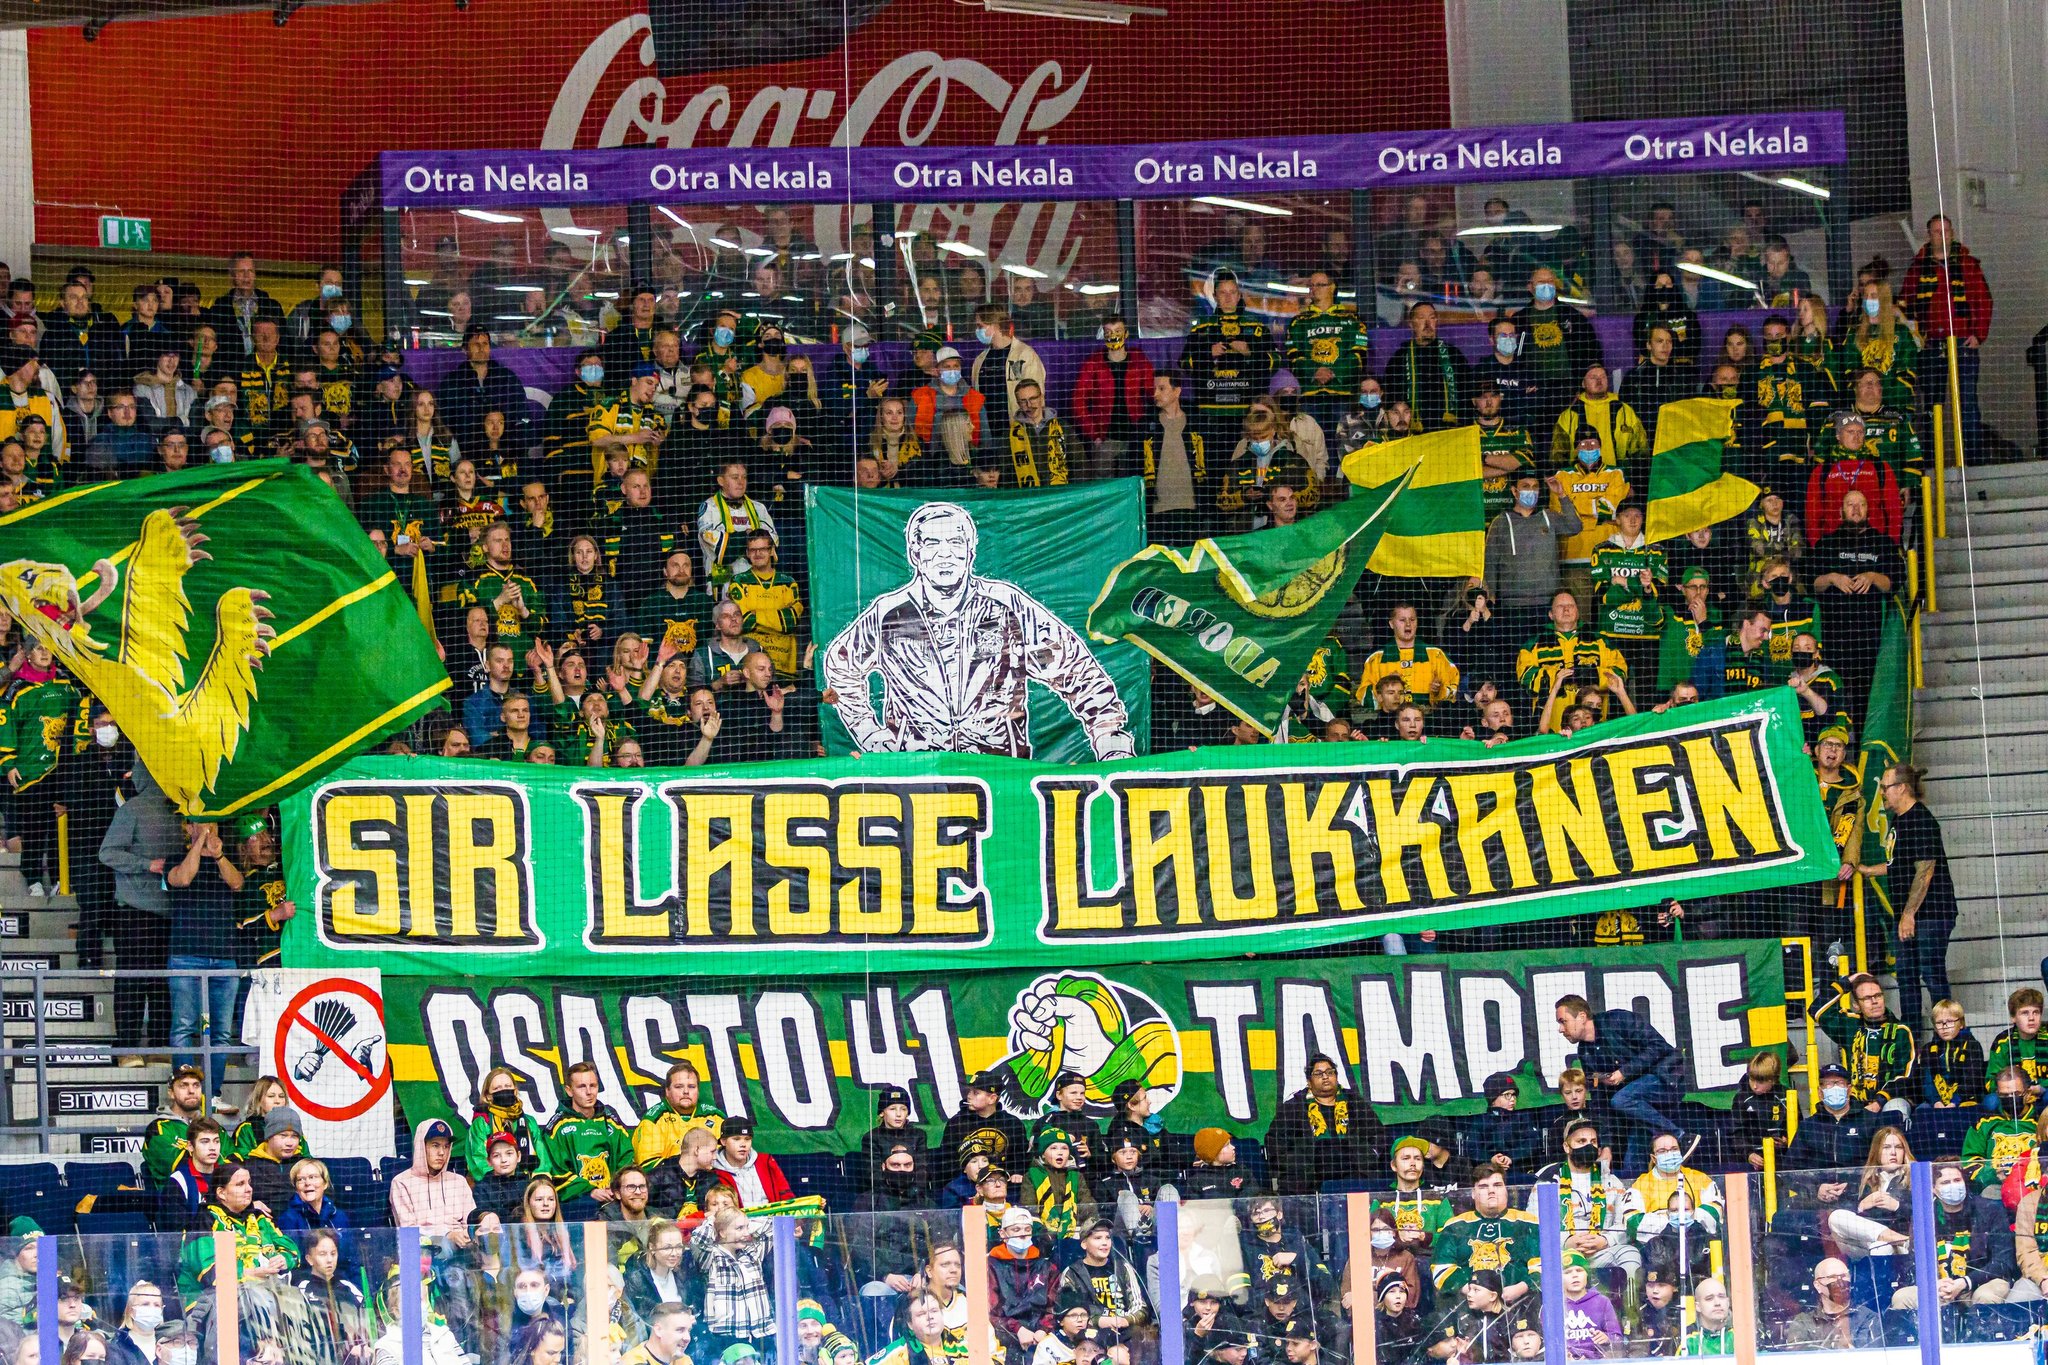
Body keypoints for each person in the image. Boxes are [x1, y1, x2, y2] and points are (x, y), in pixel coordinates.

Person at [1846, 765, 1959, 1034]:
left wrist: (1909, 914)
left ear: (1902, 788)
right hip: (1907, 915)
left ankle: (1950, 1034)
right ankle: (1910, 1039)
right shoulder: (1899, 819)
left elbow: (1925, 870)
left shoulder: (1921, 820)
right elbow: (1899, 864)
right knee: (1906, 977)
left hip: (1930, 914)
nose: (1882, 792)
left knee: (1931, 973)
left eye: (1885, 787)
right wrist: (1868, 870)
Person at [1555, 994, 1688, 1173]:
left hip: (1665, 1080)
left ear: (1582, 1016)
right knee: (1631, 1166)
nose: (1560, 1029)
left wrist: (1624, 1072)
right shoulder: (1585, 1053)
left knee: (1621, 1099)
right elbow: (1600, 1100)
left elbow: (1659, 1047)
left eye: (1563, 1022)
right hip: (1639, 1106)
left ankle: (1681, 1137)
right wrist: (1606, 1147)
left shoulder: (1617, 1020)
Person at [161, 820, 245, 1098]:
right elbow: (183, 878)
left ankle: (213, 1094)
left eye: (213, 822)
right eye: (202, 822)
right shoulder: (176, 858)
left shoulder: (227, 858)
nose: (209, 827)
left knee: (221, 1032)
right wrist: (199, 844)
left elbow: (237, 883)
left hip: (224, 957)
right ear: (188, 828)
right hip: (185, 955)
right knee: (184, 1027)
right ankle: (185, 1093)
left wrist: (218, 855)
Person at [1900, 214, 1991, 458]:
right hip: (1931, 344)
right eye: (1938, 231)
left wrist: (1978, 335)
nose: (1943, 235)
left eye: (1947, 231)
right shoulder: (1918, 267)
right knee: (1932, 404)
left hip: (1963, 343)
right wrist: (1916, 338)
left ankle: (1974, 461)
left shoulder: (1968, 264)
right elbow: (1905, 304)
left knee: (1967, 402)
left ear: (1953, 233)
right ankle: (1931, 461)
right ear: (1929, 235)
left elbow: (1983, 300)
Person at [174, 1161, 299, 1302]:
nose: (249, 1189)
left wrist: (284, 1259)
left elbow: (293, 1252)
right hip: (209, 1303)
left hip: (259, 1298)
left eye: (249, 1183)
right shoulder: (204, 1221)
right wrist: (248, 1274)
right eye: (240, 1184)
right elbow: (207, 1272)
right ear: (221, 1193)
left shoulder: (259, 1218)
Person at [1483, 474, 1581, 647]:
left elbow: (1575, 527)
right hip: (1513, 606)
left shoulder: (1549, 517)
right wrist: (1489, 597)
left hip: (1547, 604)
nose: (1531, 491)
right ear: (1514, 491)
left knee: (1548, 653)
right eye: (1526, 486)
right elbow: (1490, 563)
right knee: (1516, 654)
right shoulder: (1500, 522)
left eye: (1535, 487)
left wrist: (1561, 495)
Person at [1516, 591, 1626, 734]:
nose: (1566, 609)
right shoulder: (1533, 644)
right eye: (1560, 606)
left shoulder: (1600, 640)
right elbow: (1525, 676)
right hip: (1553, 729)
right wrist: (1558, 677)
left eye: (1570, 605)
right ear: (1551, 614)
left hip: (1595, 729)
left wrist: (1594, 675)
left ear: (1578, 612)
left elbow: (1620, 671)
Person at [1813, 972, 1917, 1124]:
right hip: (1855, 1101)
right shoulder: (1850, 1025)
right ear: (1856, 1005)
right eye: (1867, 998)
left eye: (1878, 995)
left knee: (1895, 1108)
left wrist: (1878, 1102)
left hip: (1889, 1100)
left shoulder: (1901, 1031)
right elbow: (1817, 1009)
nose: (1875, 1001)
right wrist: (1846, 982)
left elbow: (1904, 1076)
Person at [1431, 1166, 1540, 1305]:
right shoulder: (1455, 1225)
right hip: (1465, 1306)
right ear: (1473, 1193)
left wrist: (1520, 1289)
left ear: (1506, 1190)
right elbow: (1441, 1269)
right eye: (1483, 1186)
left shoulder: (1529, 1222)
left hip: (1521, 1304)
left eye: (1497, 1185)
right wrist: (1473, 1292)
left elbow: (1543, 1265)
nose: (1491, 1191)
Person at [546, 1060, 635, 1215]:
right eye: (582, 1086)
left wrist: (615, 1187)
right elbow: (557, 1172)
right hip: (577, 1204)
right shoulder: (556, 1128)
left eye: (593, 1086)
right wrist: (590, 1190)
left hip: (613, 1197)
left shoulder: (612, 1123)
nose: (589, 1092)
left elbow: (626, 1159)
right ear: (569, 1090)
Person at [389, 1118, 477, 1240]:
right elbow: (408, 1231)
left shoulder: (459, 1181)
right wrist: (447, 1236)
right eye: (435, 1145)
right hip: (425, 1245)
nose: (442, 1152)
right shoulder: (401, 1182)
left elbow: (471, 1221)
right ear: (421, 1147)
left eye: (446, 1146)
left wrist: (466, 1236)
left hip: (463, 1242)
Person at [1784, 1061, 1881, 1170]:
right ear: (1820, 1092)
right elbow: (1792, 1166)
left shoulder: (1870, 1121)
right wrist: (1816, 1182)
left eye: (1839, 1083)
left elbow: (1881, 1161)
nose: (1834, 1088)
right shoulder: (1808, 1126)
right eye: (1828, 1084)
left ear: (1849, 1089)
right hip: (1820, 1181)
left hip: (1861, 1180)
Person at [1777, 1257, 1883, 1350]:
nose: (1840, 1282)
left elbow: (1870, 1357)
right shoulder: (1803, 1322)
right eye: (1832, 1277)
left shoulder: (1868, 1318)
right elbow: (1798, 1356)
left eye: (1844, 1276)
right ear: (1818, 1285)